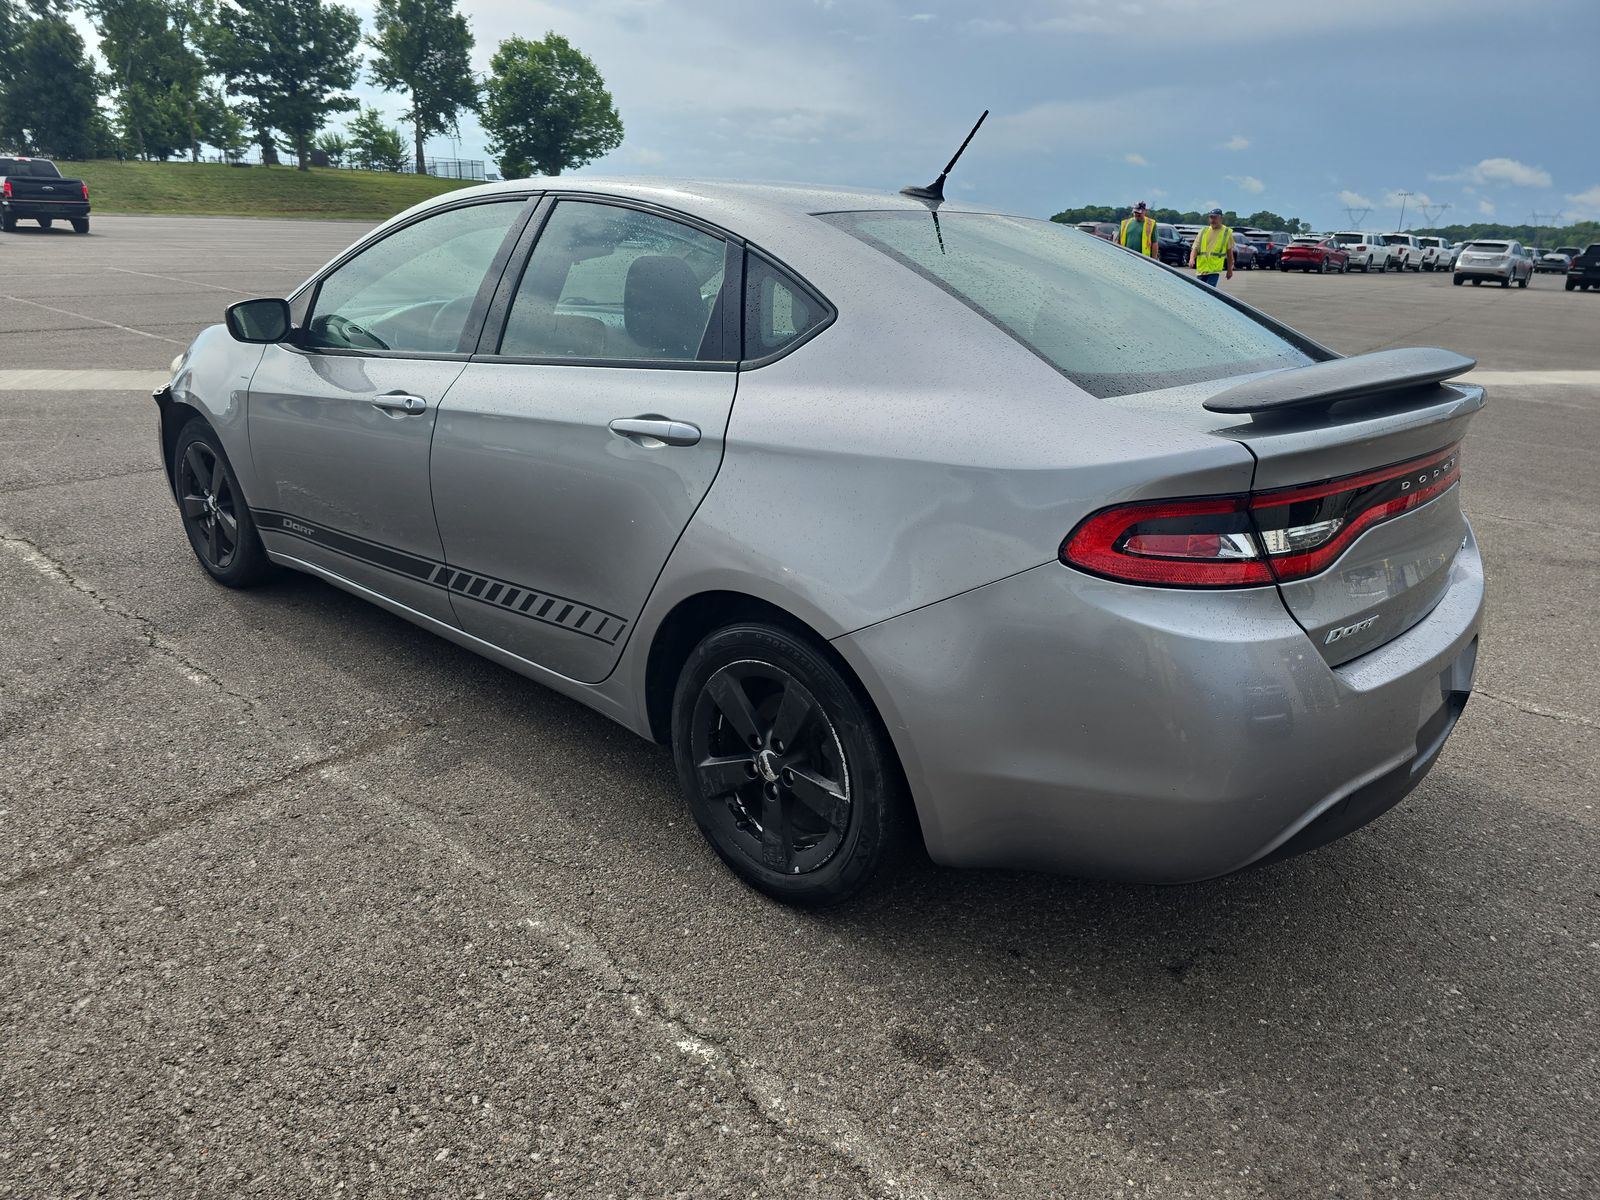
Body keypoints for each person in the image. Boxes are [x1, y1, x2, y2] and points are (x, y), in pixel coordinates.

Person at [1188, 208, 1234, 286]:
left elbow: (1229, 254)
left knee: (1209, 292)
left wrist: (1229, 269)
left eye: (1215, 217)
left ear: (1221, 218)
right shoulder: (1203, 231)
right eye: (1211, 217)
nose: (1212, 220)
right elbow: (1195, 248)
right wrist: (1192, 259)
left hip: (1214, 271)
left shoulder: (1226, 232)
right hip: (1201, 269)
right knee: (1199, 292)